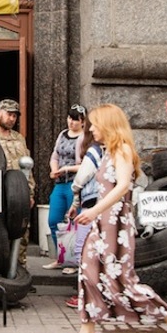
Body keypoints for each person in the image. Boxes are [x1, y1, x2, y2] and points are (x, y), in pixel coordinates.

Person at [59, 104, 167, 333]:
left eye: (95, 125)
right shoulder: (107, 151)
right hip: (102, 221)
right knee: (88, 271)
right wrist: (85, 208)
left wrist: (94, 210)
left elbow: (121, 187)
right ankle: (87, 330)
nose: (91, 129)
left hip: (116, 223)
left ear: (108, 125)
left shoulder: (122, 149)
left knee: (120, 279)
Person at [0, 99, 34, 266]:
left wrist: (30, 193)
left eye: (14, 116)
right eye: (9, 114)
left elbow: (27, 167)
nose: (12, 119)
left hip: (18, 196)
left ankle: (20, 270)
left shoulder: (18, 138)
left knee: (21, 232)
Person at [62, 121, 104, 307]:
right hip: (106, 206)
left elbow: (81, 178)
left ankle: (85, 295)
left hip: (91, 205)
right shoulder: (114, 150)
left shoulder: (94, 151)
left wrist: (75, 193)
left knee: (83, 249)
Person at [43, 104, 85, 270]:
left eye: (76, 120)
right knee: (53, 220)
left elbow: (85, 165)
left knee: (74, 222)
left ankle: (74, 261)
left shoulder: (84, 138)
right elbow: (55, 156)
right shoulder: (62, 134)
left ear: (83, 122)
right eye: (70, 118)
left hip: (75, 183)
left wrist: (67, 169)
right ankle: (60, 258)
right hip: (60, 183)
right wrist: (54, 169)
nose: (71, 122)